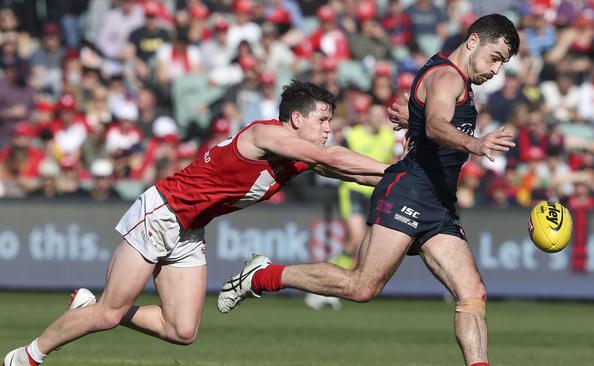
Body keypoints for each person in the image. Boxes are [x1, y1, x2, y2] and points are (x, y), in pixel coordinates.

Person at [2, 80, 390, 366]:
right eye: (322, 120)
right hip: (163, 212)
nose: (328, 128)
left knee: (181, 331)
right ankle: (24, 357)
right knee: (107, 315)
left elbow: (355, 174)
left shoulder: (298, 154)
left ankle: (93, 304)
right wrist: (394, 169)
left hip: (189, 231)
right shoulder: (265, 134)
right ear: (295, 118)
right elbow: (336, 158)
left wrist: (401, 178)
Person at [218, 14, 519, 366]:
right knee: (361, 287)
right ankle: (263, 275)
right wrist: (477, 144)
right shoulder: (447, 78)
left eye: (502, 63)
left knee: (472, 294)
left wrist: (414, 121)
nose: (496, 69)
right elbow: (438, 125)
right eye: (494, 57)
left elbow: (430, 120)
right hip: (410, 193)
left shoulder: (448, 77)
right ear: (472, 42)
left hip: (437, 202)